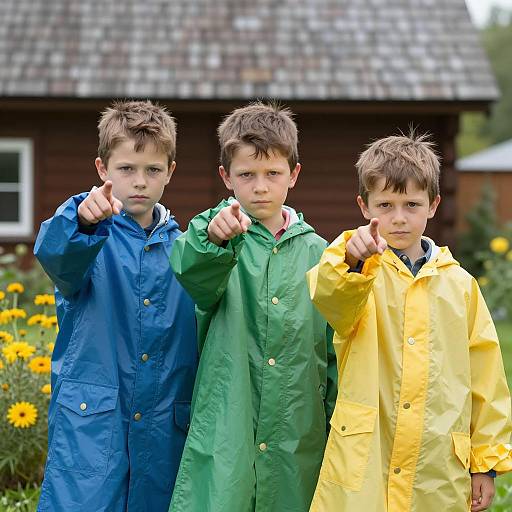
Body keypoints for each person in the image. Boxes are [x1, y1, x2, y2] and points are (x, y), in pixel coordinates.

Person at [307, 132, 512, 512]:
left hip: (436, 465)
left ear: (433, 205)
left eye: (411, 204)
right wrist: (352, 262)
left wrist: (486, 462)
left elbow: (487, 378)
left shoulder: (461, 285)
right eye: (385, 204)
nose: (398, 218)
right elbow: (331, 298)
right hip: (369, 457)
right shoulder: (356, 268)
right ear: (363, 205)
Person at [168, 101, 337, 511]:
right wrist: (215, 239)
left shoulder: (321, 254)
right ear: (227, 177)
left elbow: (334, 346)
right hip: (230, 418)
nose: (260, 187)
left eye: (272, 174)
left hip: (299, 424)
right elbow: (192, 272)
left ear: (293, 175)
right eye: (247, 175)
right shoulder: (217, 238)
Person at [34, 100, 198, 512]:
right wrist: (83, 222)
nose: (139, 182)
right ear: (103, 169)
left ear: (170, 173)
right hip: (91, 430)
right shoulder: (87, 234)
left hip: (163, 430)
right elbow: (56, 255)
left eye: (152, 170)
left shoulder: (186, 250)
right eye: (127, 169)